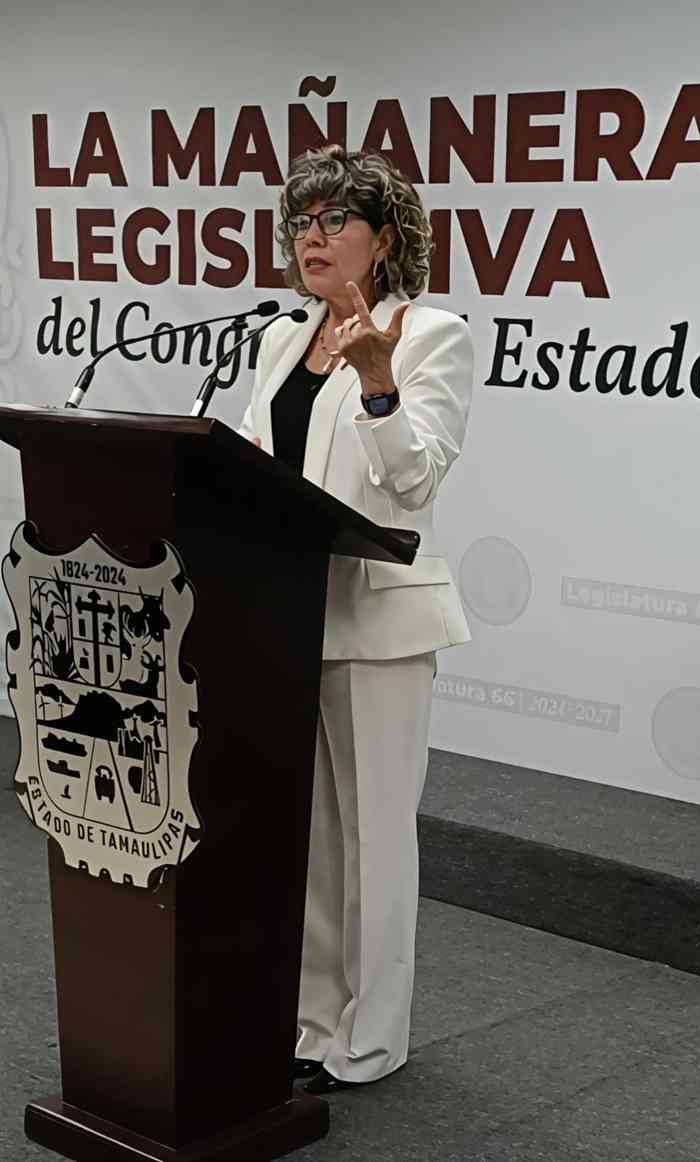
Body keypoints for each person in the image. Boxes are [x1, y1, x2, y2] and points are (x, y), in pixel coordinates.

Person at [238, 145, 473, 1094]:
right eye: (302, 223)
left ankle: (371, 1040)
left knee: (374, 839)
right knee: (312, 841)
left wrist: (378, 385)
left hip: (380, 623)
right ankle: (311, 1025)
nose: (313, 238)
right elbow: (249, 464)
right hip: (290, 616)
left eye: (336, 220)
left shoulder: (431, 335)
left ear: (383, 240)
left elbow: (414, 479)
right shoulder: (279, 340)